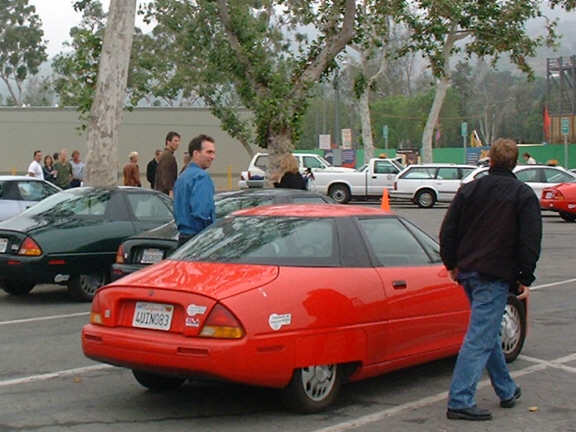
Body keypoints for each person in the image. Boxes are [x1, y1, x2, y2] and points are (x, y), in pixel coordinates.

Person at [439, 138, 542, 421]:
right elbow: (529, 240)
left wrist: (451, 263)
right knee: (480, 336)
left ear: (490, 161)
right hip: (494, 274)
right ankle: (460, 399)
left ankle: (506, 389)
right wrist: (525, 275)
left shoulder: (469, 189)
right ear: (516, 163)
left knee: (487, 332)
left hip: (468, 270)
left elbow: (449, 229)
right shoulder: (522, 195)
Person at [174, 134, 216, 247]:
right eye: (209, 152)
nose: (212, 156)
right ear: (196, 153)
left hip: (182, 238)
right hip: (198, 240)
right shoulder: (201, 177)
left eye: (213, 152)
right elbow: (202, 212)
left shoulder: (182, 177)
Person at [154, 131, 181, 196]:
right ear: (168, 142)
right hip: (165, 194)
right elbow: (166, 175)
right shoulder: (168, 156)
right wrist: (171, 192)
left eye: (178, 141)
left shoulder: (165, 154)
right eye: (175, 141)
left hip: (161, 193)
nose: (178, 143)